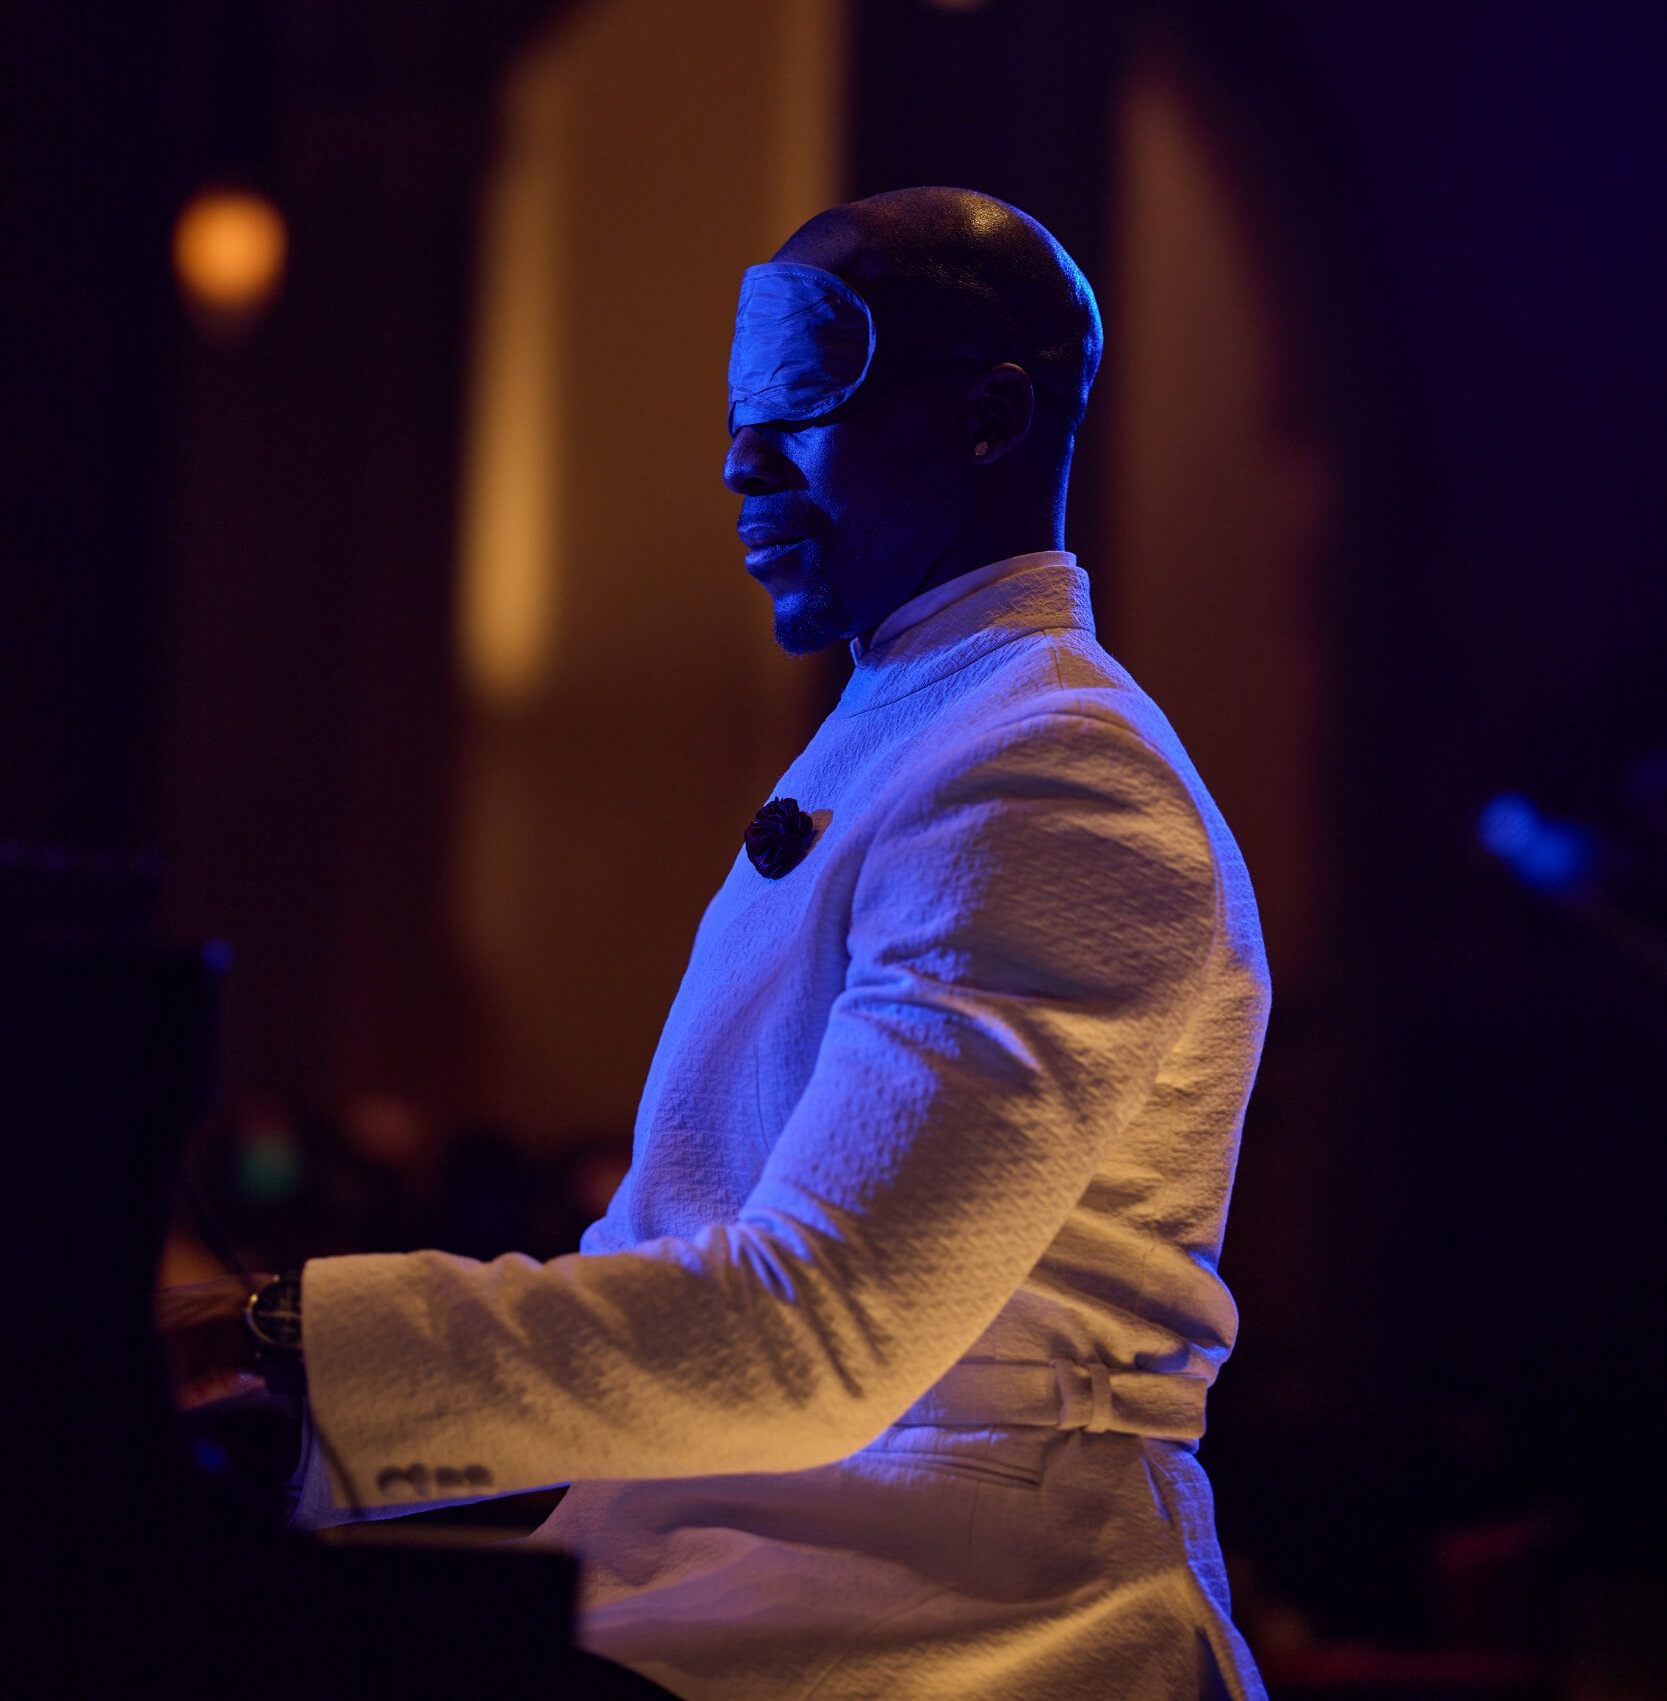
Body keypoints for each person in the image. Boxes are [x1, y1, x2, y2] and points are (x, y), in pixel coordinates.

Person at [163, 185, 1272, 1700]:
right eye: (741, 408)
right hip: (768, 1594)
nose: (741, 460)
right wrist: (264, 1419)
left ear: (992, 419)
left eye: (805, 395)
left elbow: (816, 1334)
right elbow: (662, 1277)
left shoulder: (1053, 772)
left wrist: (268, 1333)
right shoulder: (924, 737)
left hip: (969, 1631)